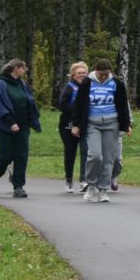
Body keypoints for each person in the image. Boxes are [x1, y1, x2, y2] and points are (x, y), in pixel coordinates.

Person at [68, 58, 130, 203]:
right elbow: (79, 104)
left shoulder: (117, 83)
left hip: (111, 123)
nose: (103, 77)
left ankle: (103, 189)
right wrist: (76, 124)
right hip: (92, 124)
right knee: (95, 156)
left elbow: (123, 105)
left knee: (109, 158)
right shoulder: (87, 83)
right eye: (101, 74)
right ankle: (90, 184)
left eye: (106, 74)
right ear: (95, 71)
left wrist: (126, 125)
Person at [0, 59, 40, 198]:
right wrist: (10, 122)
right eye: (23, 68)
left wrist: (33, 118)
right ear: (16, 68)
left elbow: (29, 100)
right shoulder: (0, 83)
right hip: (4, 126)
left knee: (21, 156)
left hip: (23, 125)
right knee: (6, 156)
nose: (25, 70)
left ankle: (18, 186)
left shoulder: (22, 83)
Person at [56, 62, 87, 192]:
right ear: (73, 74)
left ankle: (84, 181)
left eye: (84, 73)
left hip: (84, 124)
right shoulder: (69, 87)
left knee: (86, 152)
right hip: (68, 125)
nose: (82, 75)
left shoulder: (89, 87)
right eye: (79, 73)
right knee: (70, 152)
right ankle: (69, 179)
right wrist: (78, 109)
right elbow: (62, 105)